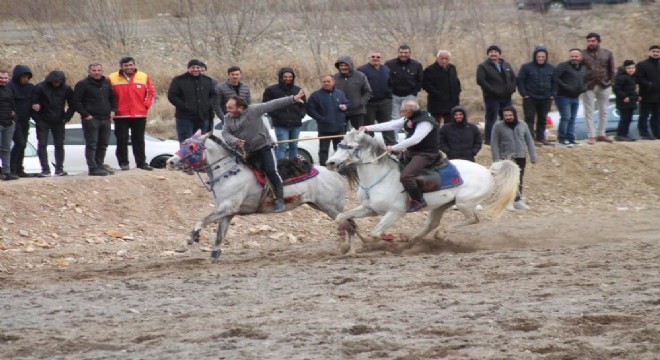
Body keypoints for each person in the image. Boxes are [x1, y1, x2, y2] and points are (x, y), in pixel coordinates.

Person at [221, 90, 306, 212]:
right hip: (247, 151)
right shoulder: (227, 118)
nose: (227, 110)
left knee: (271, 170)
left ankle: (279, 198)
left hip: (264, 146)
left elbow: (273, 104)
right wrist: (235, 141)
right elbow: (225, 133)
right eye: (226, 108)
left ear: (240, 107)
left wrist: (293, 98)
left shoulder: (254, 110)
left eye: (230, 108)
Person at [359, 100, 440, 213]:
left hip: (426, 154)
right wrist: (367, 128)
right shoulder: (409, 118)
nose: (401, 113)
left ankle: (419, 200)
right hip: (413, 152)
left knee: (406, 176)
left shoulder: (425, 122)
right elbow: (391, 124)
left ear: (409, 111)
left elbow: (415, 139)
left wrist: (394, 148)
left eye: (402, 111)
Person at [107, 56, 156, 171]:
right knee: (121, 140)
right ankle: (124, 163)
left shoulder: (143, 76)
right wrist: (112, 109)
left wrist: (146, 106)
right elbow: (108, 95)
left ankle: (141, 163)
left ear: (134, 65)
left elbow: (151, 92)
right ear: (121, 66)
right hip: (120, 114)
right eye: (126, 65)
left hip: (139, 114)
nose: (129, 67)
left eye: (130, 65)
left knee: (138, 140)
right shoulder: (112, 77)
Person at [72, 63, 116, 176]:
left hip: (105, 118)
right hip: (91, 118)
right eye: (94, 70)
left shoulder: (106, 82)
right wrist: (85, 114)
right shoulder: (82, 84)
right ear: (89, 71)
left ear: (102, 71)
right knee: (92, 143)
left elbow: (112, 97)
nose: (97, 72)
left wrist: (113, 110)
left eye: (99, 70)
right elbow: (76, 101)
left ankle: (100, 165)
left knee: (103, 144)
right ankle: (92, 168)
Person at [491, 106, 537, 211]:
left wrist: (533, 156)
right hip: (506, 158)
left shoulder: (523, 125)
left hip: (520, 156)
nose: (508, 117)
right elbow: (494, 144)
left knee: (519, 179)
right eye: (506, 115)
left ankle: (517, 200)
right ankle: (507, 202)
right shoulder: (498, 126)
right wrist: (496, 161)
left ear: (514, 115)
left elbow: (529, 140)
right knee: (507, 180)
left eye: (510, 115)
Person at [31, 70, 75, 177]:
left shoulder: (66, 88)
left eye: (59, 81)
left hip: (59, 120)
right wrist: (38, 119)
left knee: (59, 145)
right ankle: (45, 169)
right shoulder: (40, 87)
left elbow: (72, 104)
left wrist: (66, 118)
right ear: (50, 80)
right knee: (42, 144)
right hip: (43, 120)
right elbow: (32, 104)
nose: (56, 83)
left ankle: (59, 169)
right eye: (54, 81)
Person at [168, 59, 217, 143]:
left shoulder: (207, 80)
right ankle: (186, 157)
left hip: (203, 117)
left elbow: (213, 95)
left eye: (198, 67)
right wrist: (184, 106)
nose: (195, 69)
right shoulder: (179, 80)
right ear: (188, 68)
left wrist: (207, 105)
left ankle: (200, 157)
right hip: (185, 118)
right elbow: (172, 96)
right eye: (193, 67)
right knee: (186, 143)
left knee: (201, 144)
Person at [262, 67, 307, 160]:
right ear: (280, 77)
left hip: (296, 124)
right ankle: (280, 168)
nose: (288, 79)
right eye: (285, 76)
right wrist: (276, 116)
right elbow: (266, 106)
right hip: (280, 124)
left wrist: (300, 115)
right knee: (282, 146)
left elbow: (304, 105)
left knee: (294, 146)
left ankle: (294, 167)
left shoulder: (298, 90)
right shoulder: (271, 90)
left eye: (290, 76)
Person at [476, 45, 517, 145]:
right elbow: (481, 80)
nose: (493, 53)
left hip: (506, 96)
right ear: (488, 54)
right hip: (492, 97)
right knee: (491, 118)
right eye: (491, 52)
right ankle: (489, 139)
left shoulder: (506, 65)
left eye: (495, 52)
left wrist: (512, 88)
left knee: (507, 117)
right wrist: (492, 91)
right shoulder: (483, 66)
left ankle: (507, 137)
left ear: (499, 53)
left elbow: (513, 78)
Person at [517, 45, 557, 146]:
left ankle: (541, 138)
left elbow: (555, 82)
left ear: (546, 57)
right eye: (538, 56)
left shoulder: (551, 68)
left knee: (543, 118)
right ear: (535, 56)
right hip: (530, 97)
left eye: (543, 56)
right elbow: (520, 80)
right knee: (529, 118)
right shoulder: (526, 67)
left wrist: (553, 94)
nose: (540, 58)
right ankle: (530, 139)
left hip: (546, 97)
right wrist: (524, 94)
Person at [307, 75, 350, 166]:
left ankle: (340, 166)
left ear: (333, 82)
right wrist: (321, 119)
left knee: (339, 149)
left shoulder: (340, 93)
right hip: (324, 128)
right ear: (321, 83)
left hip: (339, 127)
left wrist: (345, 107)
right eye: (324, 82)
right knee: (323, 150)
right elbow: (310, 110)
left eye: (328, 81)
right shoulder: (315, 95)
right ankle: (323, 167)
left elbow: (347, 103)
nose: (326, 83)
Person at [582, 32, 616, 144]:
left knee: (604, 110)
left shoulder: (607, 53)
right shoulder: (582, 54)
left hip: (604, 84)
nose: (591, 43)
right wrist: (583, 84)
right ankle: (591, 135)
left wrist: (610, 82)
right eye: (589, 41)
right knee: (589, 111)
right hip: (588, 85)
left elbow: (612, 70)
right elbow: (579, 70)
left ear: (598, 41)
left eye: (593, 41)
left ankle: (601, 133)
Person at [358, 51, 396, 146]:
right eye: (373, 56)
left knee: (387, 127)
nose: (376, 58)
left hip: (384, 103)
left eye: (378, 57)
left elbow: (391, 84)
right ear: (369, 58)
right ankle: (369, 148)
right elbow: (359, 86)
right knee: (368, 127)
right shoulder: (362, 70)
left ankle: (392, 148)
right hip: (369, 104)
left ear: (381, 58)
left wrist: (389, 95)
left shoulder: (386, 69)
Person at [554, 48, 587, 146]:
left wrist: (583, 88)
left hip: (576, 97)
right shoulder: (563, 66)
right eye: (572, 56)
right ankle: (562, 139)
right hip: (563, 96)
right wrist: (566, 87)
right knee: (565, 117)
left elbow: (586, 80)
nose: (574, 58)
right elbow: (555, 78)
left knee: (573, 118)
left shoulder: (583, 68)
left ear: (580, 57)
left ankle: (571, 138)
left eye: (576, 56)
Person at [8, 65, 35, 178]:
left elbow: (33, 101)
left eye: (27, 77)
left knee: (23, 145)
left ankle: (19, 169)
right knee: (20, 143)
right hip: (14, 121)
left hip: (25, 120)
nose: (25, 79)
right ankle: (11, 168)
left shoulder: (30, 87)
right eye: (23, 76)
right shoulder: (10, 87)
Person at [422, 50, 461, 125]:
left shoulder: (452, 68)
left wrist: (457, 92)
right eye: (441, 58)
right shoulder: (429, 70)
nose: (444, 61)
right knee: (434, 125)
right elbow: (427, 86)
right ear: (437, 58)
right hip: (436, 103)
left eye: (446, 59)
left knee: (450, 125)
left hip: (451, 102)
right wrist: (438, 94)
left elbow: (456, 81)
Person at [333, 55, 372, 131]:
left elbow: (368, 92)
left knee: (360, 135)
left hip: (358, 111)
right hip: (340, 112)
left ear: (350, 65)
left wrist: (361, 103)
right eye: (341, 65)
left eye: (346, 65)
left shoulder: (360, 76)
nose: (343, 67)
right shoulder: (334, 77)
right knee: (340, 135)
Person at [385, 45, 423, 120]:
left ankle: (408, 131)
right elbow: (385, 79)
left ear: (410, 53)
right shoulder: (389, 64)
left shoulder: (416, 65)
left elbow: (420, 79)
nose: (403, 54)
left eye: (406, 52)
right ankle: (395, 132)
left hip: (410, 95)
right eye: (401, 52)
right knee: (394, 117)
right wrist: (389, 92)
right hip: (394, 95)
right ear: (398, 53)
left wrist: (414, 92)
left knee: (410, 116)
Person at [635, 45, 660, 140]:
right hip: (646, 94)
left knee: (657, 116)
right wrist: (649, 84)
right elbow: (638, 78)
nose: (656, 53)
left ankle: (657, 133)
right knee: (644, 115)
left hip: (658, 96)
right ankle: (644, 133)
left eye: (657, 51)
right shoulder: (642, 64)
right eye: (654, 51)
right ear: (649, 52)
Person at [613, 60, 639, 142]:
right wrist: (624, 96)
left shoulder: (632, 77)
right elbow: (616, 88)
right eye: (629, 68)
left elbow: (632, 90)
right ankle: (620, 135)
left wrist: (636, 97)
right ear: (624, 68)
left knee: (628, 119)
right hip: (623, 101)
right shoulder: (621, 77)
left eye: (633, 68)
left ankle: (625, 134)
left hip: (631, 101)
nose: (631, 70)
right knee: (624, 118)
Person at [0, 69, 18, 180]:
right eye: (1, 78)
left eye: (5, 78)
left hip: (9, 123)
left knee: (6, 149)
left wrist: (14, 117)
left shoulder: (9, 89)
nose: (3, 80)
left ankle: (6, 172)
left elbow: (13, 104)